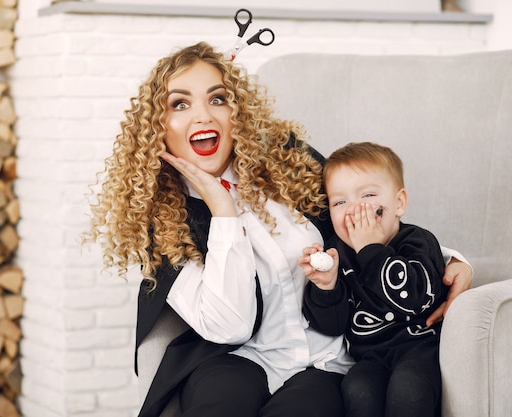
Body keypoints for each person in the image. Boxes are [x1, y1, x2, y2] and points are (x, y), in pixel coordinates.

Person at [84, 42, 472, 417]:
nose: (203, 116)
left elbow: (362, 212)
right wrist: (223, 212)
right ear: (157, 128)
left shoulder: (289, 164)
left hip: (326, 358)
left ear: (238, 111)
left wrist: (449, 259)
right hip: (234, 358)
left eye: (217, 98)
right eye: (180, 104)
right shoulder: (162, 221)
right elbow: (231, 329)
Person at [299, 142, 449, 417]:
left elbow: (413, 299)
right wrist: (326, 286)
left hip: (421, 347)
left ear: (399, 202)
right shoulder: (337, 252)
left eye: (367, 195)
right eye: (340, 202)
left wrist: (371, 250)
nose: (355, 210)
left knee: (409, 388)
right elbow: (332, 326)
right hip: (369, 358)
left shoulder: (417, 242)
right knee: (358, 389)